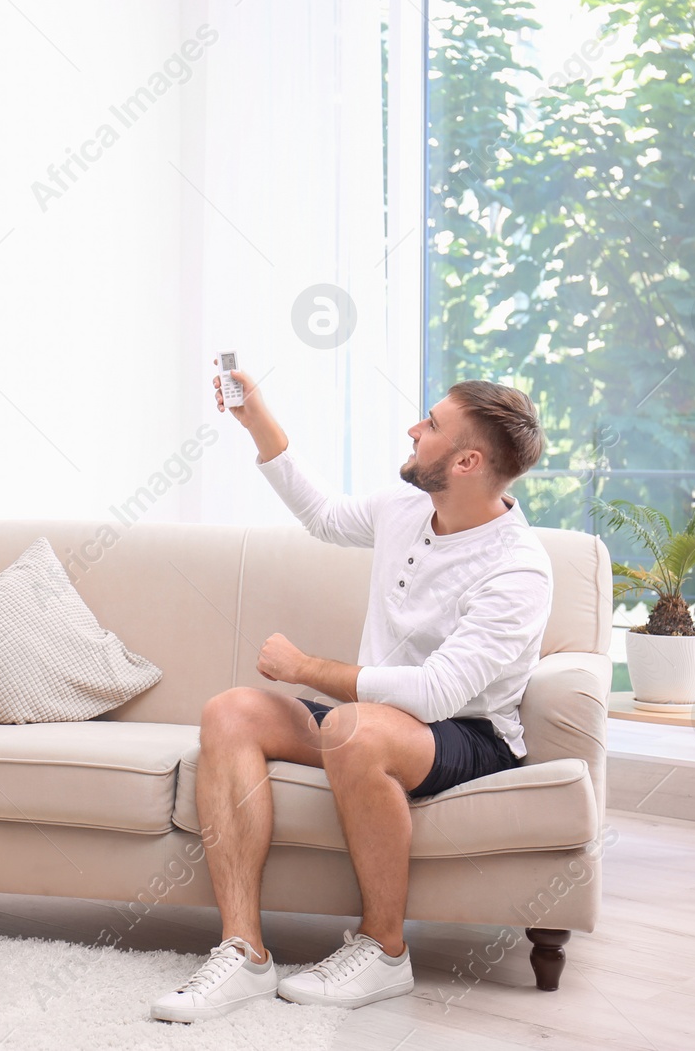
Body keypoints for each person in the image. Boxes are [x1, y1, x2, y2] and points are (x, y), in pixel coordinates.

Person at [149, 369, 552, 1022]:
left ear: (468, 460)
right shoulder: (407, 508)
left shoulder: (517, 569)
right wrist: (254, 415)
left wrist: (308, 666)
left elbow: (438, 690)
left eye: (431, 424)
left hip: (467, 732)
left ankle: (385, 950)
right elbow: (323, 514)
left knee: (355, 727)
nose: (414, 429)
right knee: (231, 713)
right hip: (366, 721)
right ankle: (243, 950)